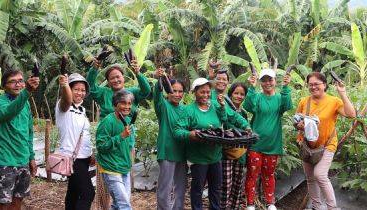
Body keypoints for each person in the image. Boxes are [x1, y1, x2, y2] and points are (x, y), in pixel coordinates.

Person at [174, 78, 247, 210]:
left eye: (208, 92)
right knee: (197, 189)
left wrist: (246, 126)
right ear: (194, 93)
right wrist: (190, 134)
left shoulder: (215, 104)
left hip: (215, 156)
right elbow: (178, 131)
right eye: (202, 92)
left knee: (216, 189)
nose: (206, 95)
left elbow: (232, 117)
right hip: (198, 158)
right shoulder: (189, 110)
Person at [294, 72, 356, 210]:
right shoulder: (304, 101)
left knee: (320, 175)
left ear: (324, 85)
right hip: (308, 146)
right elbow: (296, 120)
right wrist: (299, 126)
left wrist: (342, 93)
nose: (313, 87)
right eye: (310, 85)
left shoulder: (334, 101)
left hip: (328, 144)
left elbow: (351, 115)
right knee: (310, 178)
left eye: (317, 84)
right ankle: (316, 206)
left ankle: (332, 207)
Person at [0, 70, 39, 210]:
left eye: (21, 81)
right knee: (3, 203)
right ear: (4, 86)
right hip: (5, 161)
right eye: (13, 81)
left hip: (23, 160)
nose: (18, 84)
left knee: (18, 200)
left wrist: (31, 157)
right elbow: (8, 112)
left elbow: (28, 133)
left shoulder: (26, 104)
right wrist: (27, 91)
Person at [243, 69, 292, 210]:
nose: (267, 83)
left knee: (269, 174)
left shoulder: (279, 98)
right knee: (252, 174)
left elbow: (287, 105)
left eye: (270, 80)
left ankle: (270, 202)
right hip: (255, 144)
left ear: (275, 81)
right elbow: (248, 106)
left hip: (272, 145)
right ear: (260, 82)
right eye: (264, 80)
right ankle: (250, 203)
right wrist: (251, 88)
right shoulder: (257, 97)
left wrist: (286, 87)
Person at [55, 73, 95, 209]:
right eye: (76, 89)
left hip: (83, 158)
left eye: (83, 90)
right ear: (69, 90)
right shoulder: (63, 107)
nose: (80, 93)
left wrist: (90, 153)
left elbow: (84, 135)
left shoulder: (82, 110)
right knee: (88, 193)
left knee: (73, 192)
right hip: (72, 158)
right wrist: (65, 85)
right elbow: (66, 99)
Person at [96, 90, 136, 210]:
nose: (127, 106)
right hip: (111, 168)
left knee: (118, 205)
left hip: (124, 167)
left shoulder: (128, 121)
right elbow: (101, 146)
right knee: (125, 205)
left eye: (129, 103)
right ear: (115, 105)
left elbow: (129, 146)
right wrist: (121, 136)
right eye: (123, 103)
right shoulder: (107, 122)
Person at [153, 68, 187, 210]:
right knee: (165, 188)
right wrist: (159, 80)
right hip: (167, 152)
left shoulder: (185, 109)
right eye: (174, 90)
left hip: (182, 152)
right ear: (168, 91)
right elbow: (157, 95)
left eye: (180, 91)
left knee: (180, 187)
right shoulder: (163, 106)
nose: (177, 94)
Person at [86, 57, 151, 119]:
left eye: (118, 77)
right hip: (108, 128)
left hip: (128, 128)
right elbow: (89, 87)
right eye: (112, 78)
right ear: (108, 82)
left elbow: (146, 90)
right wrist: (94, 69)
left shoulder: (132, 92)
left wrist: (138, 73)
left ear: (123, 77)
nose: (116, 80)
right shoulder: (104, 93)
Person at [221, 82, 249, 210]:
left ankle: (234, 207)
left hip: (241, 152)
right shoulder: (224, 108)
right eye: (236, 93)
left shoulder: (243, 113)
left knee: (238, 185)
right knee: (226, 184)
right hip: (226, 152)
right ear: (230, 94)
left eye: (242, 94)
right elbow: (225, 125)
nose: (239, 96)